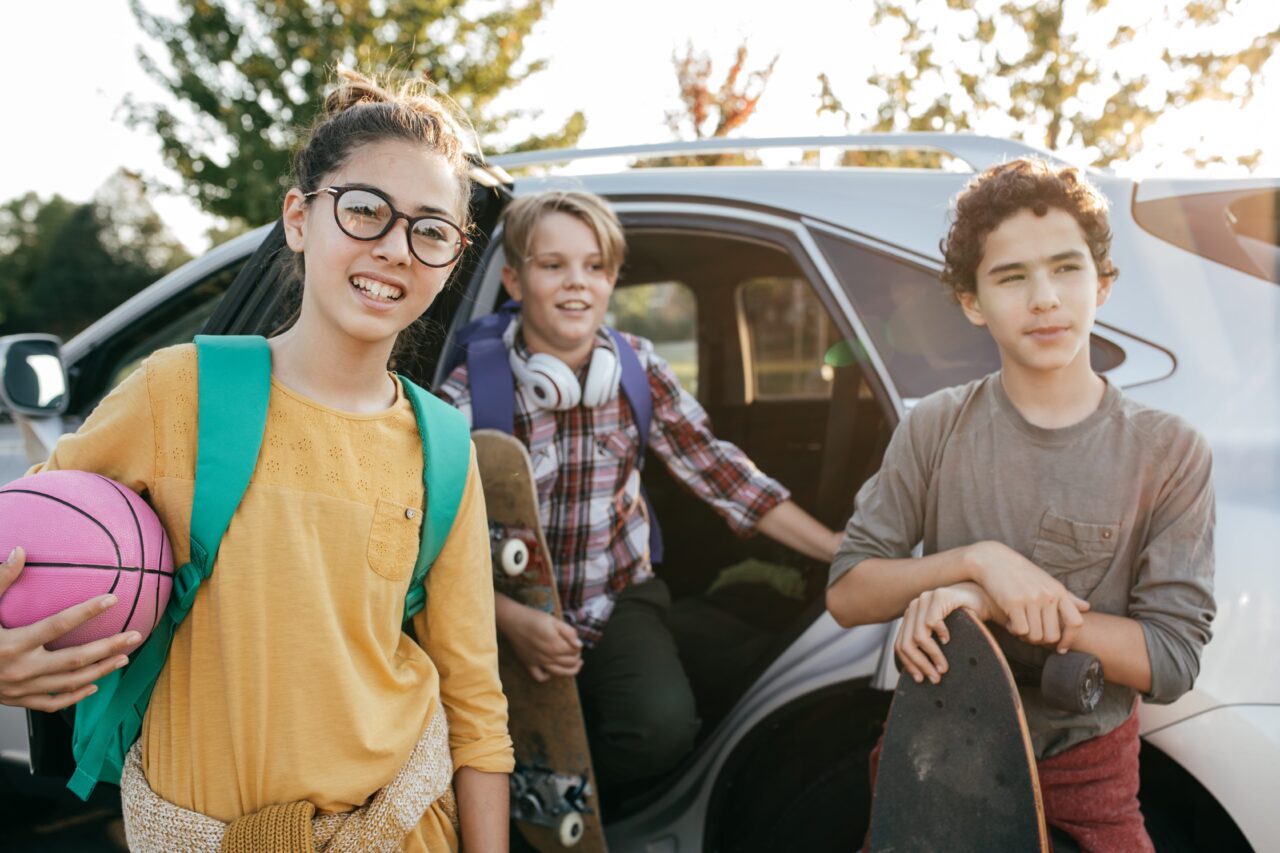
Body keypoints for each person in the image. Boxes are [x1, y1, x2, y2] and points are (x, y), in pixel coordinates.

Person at [0, 70, 512, 852]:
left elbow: (476, 706)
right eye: (366, 210)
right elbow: (20, 544)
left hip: (401, 829)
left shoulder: (444, 446)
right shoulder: (179, 393)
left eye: (432, 230)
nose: (394, 248)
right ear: (300, 218)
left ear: (451, 261)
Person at [825, 158, 1216, 850]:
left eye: (1066, 269)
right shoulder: (934, 426)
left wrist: (994, 602)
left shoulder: (1167, 450)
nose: (1044, 299)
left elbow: (1172, 659)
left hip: (1085, 781)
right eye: (1011, 276)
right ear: (972, 300)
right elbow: (850, 592)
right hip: (933, 764)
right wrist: (976, 563)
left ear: (1102, 283)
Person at [437, 189, 843, 793]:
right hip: (504, 611)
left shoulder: (638, 369)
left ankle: (597, 808)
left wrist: (840, 551)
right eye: (553, 265)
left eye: (594, 266)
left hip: (619, 597)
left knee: (660, 730)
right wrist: (506, 618)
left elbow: (722, 472)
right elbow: (428, 534)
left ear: (612, 280)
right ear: (515, 281)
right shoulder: (473, 391)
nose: (577, 283)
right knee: (486, 744)